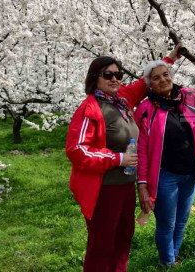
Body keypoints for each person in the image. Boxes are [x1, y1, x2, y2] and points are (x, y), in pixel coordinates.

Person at [65, 47, 179, 272]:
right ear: (94, 78)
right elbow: (76, 149)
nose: (115, 79)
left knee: (123, 239)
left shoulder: (122, 100)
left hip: (126, 186)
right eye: (108, 75)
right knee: (102, 245)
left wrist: (170, 60)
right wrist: (116, 158)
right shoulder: (91, 108)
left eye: (119, 74)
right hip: (103, 189)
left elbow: (145, 82)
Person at [135, 56, 195, 267]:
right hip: (164, 176)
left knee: (181, 221)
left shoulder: (187, 97)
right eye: (156, 77)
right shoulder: (145, 110)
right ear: (149, 84)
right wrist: (142, 183)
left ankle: (174, 256)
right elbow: (141, 150)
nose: (162, 79)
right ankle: (167, 263)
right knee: (167, 223)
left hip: (189, 173)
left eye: (165, 74)